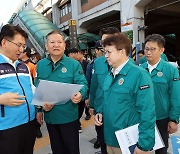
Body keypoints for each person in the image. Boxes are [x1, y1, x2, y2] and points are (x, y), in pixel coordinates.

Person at [95, 32, 156, 154]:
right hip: (110, 138)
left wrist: (144, 144)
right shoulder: (110, 74)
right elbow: (108, 99)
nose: (105, 56)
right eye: (105, 52)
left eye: (109, 52)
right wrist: (100, 112)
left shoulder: (139, 74)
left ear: (122, 51)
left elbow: (147, 111)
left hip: (129, 142)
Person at [35, 30, 88, 154]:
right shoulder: (41, 65)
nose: (56, 45)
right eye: (52, 42)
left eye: (59, 42)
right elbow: (38, 89)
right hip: (50, 117)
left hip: (69, 116)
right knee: (56, 149)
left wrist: (80, 93)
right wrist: (39, 109)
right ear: (46, 46)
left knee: (72, 149)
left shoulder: (74, 64)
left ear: (64, 45)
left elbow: (83, 84)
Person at [140, 34, 180, 154]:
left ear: (162, 50)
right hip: (142, 117)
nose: (148, 52)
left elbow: (175, 96)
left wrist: (174, 119)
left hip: (162, 118)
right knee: (141, 148)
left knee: (161, 149)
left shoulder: (170, 70)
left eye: (153, 49)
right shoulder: (139, 69)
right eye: (147, 49)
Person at [0, 24, 36, 154]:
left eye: (23, 46)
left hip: (29, 123)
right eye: (18, 45)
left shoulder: (23, 66)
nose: (21, 49)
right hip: (6, 128)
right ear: (4, 42)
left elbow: (32, 90)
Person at [89, 27, 120, 154]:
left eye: (108, 41)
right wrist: (91, 104)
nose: (104, 45)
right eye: (103, 42)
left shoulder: (131, 66)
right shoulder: (98, 62)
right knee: (103, 141)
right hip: (100, 109)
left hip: (119, 112)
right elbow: (94, 84)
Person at [68, 48, 91, 131]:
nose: (74, 55)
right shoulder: (68, 64)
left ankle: (78, 120)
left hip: (81, 90)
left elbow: (86, 79)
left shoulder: (86, 63)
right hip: (71, 91)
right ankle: (77, 123)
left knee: (81, 107)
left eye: (76, 53)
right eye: (72, 53)